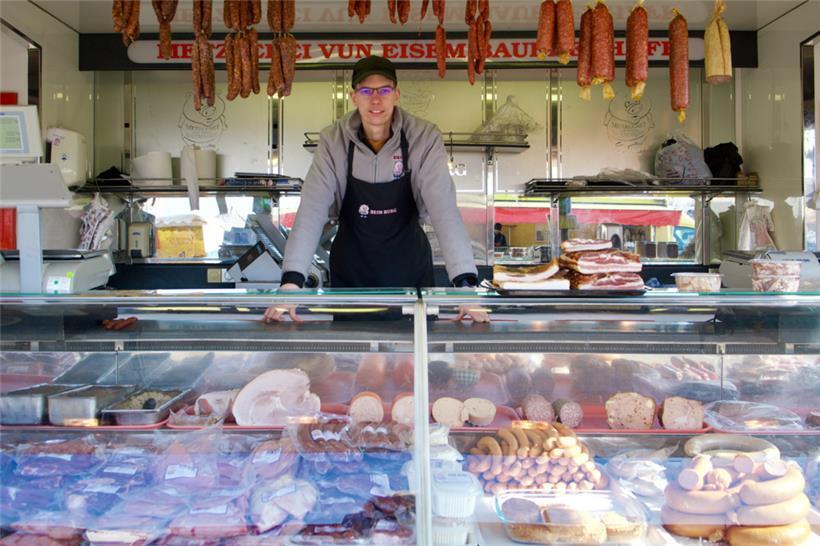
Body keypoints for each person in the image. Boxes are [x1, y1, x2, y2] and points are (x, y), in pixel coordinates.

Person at [265, 56, 487, 322]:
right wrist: (292, 282)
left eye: (384, 90)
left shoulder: (423, 137)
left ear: (396, 94)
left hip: (409, 269)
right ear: (353, 97)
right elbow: (312, 210)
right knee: (353, 359)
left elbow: (444, 209)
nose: (376, 99)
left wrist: (464, 284)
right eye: (366, 91)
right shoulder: (332, 140)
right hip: (352, 272)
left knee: (412, 358)